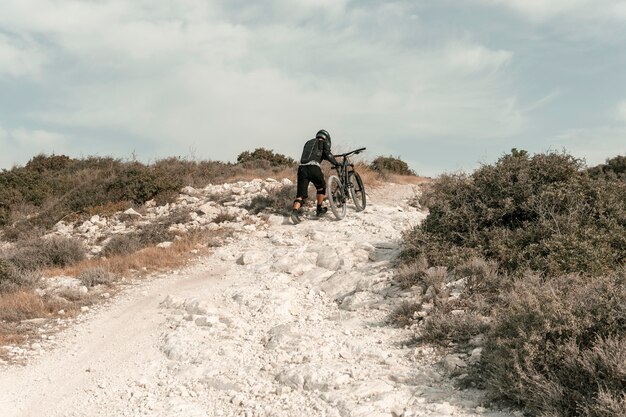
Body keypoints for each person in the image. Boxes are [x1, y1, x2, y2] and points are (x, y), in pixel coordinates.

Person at [291, 129, 340, 224]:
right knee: (321, 187)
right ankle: (319, 209)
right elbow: (327, 154)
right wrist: (336, 163)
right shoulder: (323, 142)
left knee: (301, 195)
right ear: (326, 138)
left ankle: (294, 212)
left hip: (301, 168)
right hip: (313, 167)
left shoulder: (308, 143)